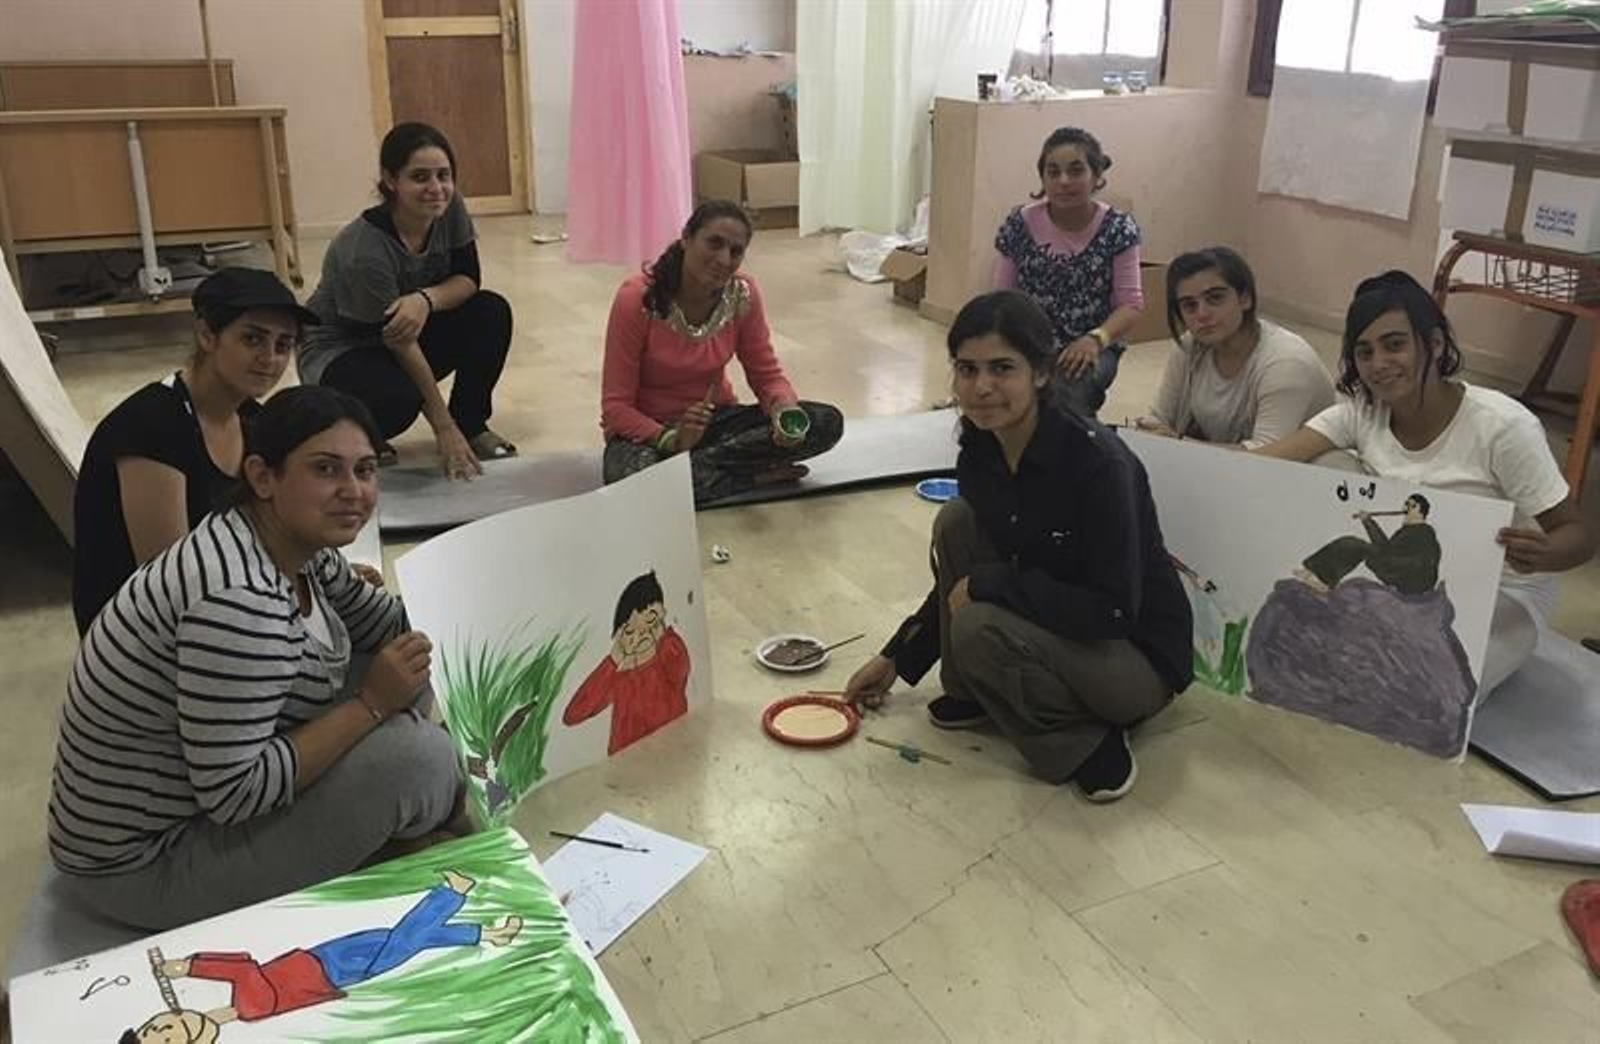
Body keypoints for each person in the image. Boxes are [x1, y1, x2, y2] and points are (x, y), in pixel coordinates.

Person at [48, 386, 465, 932]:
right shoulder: (237, 600)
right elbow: (233, 794)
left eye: (365, 470)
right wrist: (371, 707)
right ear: (263, 477)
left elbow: (387, 624)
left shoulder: (289, 542)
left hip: (192, 795)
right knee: (417, 758)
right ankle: (425, 812)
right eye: (325, 469)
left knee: (407, 663)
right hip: (146, 862)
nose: (354, 492)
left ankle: (401, 812)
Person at [843, 290, 1192, 800]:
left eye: (1002, 368)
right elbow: (965, 577)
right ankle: (976, 692)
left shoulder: (1099, 466)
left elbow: (1112, 612)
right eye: (967, 369)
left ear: (1042, 373)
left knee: (980, 624)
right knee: (958, 522)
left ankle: (1083, 740)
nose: (982, 387)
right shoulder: (981, 450)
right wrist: (897, 657)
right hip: (1066, 627)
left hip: (1135, 660)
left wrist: (992, 583)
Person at [1258, 271, 1595, 694]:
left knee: (1433, 689)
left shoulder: (1503, 427)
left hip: (1499, 589)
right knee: (1327, 460)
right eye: (1364, 352)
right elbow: (1262, 462)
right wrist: (1185, 459)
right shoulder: (1360, 412)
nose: (1379, 364)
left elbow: (1579, 535)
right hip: (1404, 579)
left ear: (1434, 344)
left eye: (1394, 344)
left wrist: (1544, 553)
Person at [70, 268, 309, 634]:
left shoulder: (252, 419)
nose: (270, 358)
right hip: (137, 634)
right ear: (206, 335)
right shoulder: (151, 425)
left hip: (214, 598)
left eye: (283, 345)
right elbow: (171, 581)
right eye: (252, 339)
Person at [297, 122, 515, 479]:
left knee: (490, 312)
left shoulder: (449, 207)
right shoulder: (363, 250)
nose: (436, 188)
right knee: (398, 399)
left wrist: (424, 300)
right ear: (390, 180)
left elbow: (468, 279)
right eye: (419, 177)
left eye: (444, 175)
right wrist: (442, 427)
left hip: (408, 324)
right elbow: (397, 340)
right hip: (345, 348)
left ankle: (471, 422)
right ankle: (365, 433)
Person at [600, 200, 843, 505]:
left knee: (824, 422)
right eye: (714, 244)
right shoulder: (637, 299)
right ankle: (750, 478)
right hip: (648, 433)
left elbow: (767, 376)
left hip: (715, 424)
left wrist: (783, 410)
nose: (724, 259)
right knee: (634, 482)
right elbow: (616, 408)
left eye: (735, 251)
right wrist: (672, 440)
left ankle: (694, 476)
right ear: (686, 238)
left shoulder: (743, 294)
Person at [123, 871, 520, 1043]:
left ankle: (489, 934)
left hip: (321, 960)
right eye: (165, 1039)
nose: (165, 1028)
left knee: (396, 939)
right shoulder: (248, 1009)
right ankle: (454, 895)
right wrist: (190, 967)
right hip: (333, 972)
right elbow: (243, 968)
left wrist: (189, 969)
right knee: (400, 943)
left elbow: (245, 965)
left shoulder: (242, 1009)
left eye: (157, 1027)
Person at [993, 127, 1145, 417]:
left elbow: (1131, 305)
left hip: (1093, 343)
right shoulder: (1020, 223)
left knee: (1065, 400)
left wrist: (1095, 339)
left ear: (1096, 176)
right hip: (1029, 342)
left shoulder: (1118, 229)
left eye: (1076, 171)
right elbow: (1003, 298)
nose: (1063, 181)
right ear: (1043, 178)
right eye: (1053, 172)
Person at [1135, 247, 1335, 448]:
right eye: (1189, 305)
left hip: (1297, 464)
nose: (1202, 314)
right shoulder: (1189, 345)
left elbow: (1267, 453)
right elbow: (1159, 418)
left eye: (1215, 298)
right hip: (1221, 456)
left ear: (1245, 298)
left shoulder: (1286, 363)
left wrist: (1179, 443)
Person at [564, 571, 692, 754]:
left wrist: (663, 638)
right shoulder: (620, 676)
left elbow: (680, 669)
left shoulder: (668, 654)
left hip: (671, 752)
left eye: (651, 621)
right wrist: (613, 661)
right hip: (627, 763)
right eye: (630, 632)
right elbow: (573, 715)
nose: (640, 637)